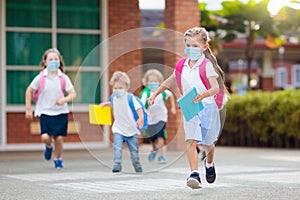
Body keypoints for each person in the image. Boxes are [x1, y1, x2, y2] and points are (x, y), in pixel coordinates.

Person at [148, 27, 229, 189]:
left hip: (208, 107)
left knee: (208, 143)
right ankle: (194, 174)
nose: (191, 49)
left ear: (204, 47)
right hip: (190, 106)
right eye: (188, 45)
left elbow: (215, 89)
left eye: (195, 46)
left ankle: (209, 162)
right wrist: (155, 93)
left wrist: (204, 94)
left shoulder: (206, 65)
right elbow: (170, 81)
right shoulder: (181, 65)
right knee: (191, 140)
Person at [25, 48, 76, 169]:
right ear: (45, 62)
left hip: (60, 112)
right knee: (45, 137)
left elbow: (73, 94)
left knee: (59, 138)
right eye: (50, 59)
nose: (53, 61)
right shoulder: (41, 77)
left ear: (59, 61)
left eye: (56, 59)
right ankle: (48, 146)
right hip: (45, 111)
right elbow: (29, 91)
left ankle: (58, 159)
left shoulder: (63, 78)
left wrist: (63, 100)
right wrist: (28, 109)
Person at [100, 71, 143, 173]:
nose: (117, 90)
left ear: (126, 88)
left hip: (131, 130)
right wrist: (106, 104)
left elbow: (139, 108)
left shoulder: (130, 98)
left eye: (120, 88)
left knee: (134, 151)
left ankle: (137, 165)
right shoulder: (113, 97)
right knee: (117, 147)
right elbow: (113, 104)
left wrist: (140, 118)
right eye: (115, 88)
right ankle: (117, 164)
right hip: (118, 129)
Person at [140, 69, 176, 164]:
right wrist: (148, 113)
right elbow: (141, 105)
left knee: (160, 135)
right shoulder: (145, 93)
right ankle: (153, 149)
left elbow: (171, 95)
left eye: (156, 81)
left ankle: (161, 155)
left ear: (160, 82)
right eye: (151, 81)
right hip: (151, 118)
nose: (153, 83)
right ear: (146, 82)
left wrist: (173, 107)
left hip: (162, 117)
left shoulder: (162, 91)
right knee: (152, 138)